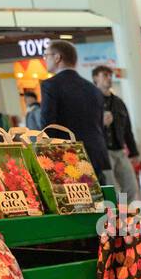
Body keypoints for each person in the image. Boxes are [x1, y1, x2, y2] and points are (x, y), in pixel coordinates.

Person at [39, 40, 110, 177]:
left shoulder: (51, 85)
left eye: (46, 55)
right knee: (99, 196)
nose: (45, 59)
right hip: (95, 154)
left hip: (68, 156)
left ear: (57, 57)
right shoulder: (93, 88)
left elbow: (48, 125)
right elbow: (99, 125)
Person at [91, 65, 139, 197]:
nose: (109, 78)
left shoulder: (118, 102)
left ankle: (124, 214)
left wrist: (134, 152)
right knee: (111, 189)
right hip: (103, 151)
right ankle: (116, 215)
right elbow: (86, 127)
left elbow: (127, 129)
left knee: (131, 187)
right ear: (96, 78)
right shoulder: (90, 101)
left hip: (119, 149)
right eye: (105, 75)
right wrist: (101, 123)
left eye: (110, 75)